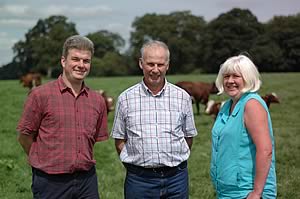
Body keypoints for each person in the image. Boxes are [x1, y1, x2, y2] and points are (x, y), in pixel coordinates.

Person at [17, 35, 109, 199]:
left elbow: (92, 139)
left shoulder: (97, 100)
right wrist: (43, 160)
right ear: (63, 61)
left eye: (86, 61)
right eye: (75, 59)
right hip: (50, 181)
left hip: (86, 181)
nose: (81, 65)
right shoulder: (40, 95)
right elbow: (25, 136)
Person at [111, 40, 198, 198]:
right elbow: (119, 139)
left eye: (160, 64)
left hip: (176, 179)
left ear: (168, 65)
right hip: (139, 180)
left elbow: (188, 136)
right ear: (141, 64)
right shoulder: (126, 98)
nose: (155, 70)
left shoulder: (183, 97)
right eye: (150, 64)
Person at [210, 54, 277, 199]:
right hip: (228, 190)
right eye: (226, 76)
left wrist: (257, 193)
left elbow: (265, 150)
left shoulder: (251, 104)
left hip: (247, 191)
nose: (230, 81)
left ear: (248, 78)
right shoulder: (227, 105)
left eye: (236, 76)